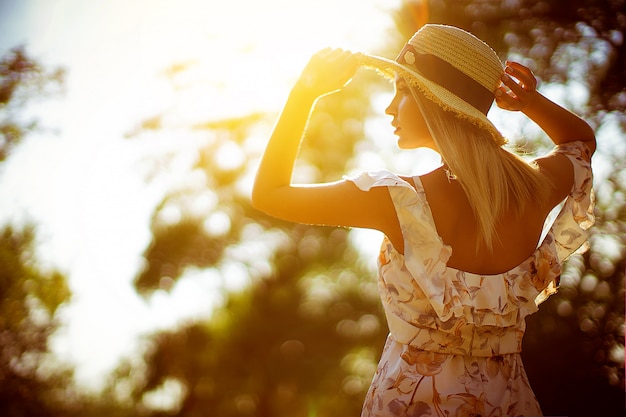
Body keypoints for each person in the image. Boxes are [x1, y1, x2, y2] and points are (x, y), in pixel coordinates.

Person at [252, 24, 595, 417]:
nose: (389, 107)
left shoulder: (397, 200)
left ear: (434, 100)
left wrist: (304, 94)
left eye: (402, 89)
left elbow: (269, 195)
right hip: (507, 403)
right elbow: (580, 142)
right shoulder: (535, 187)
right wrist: (529, 102)